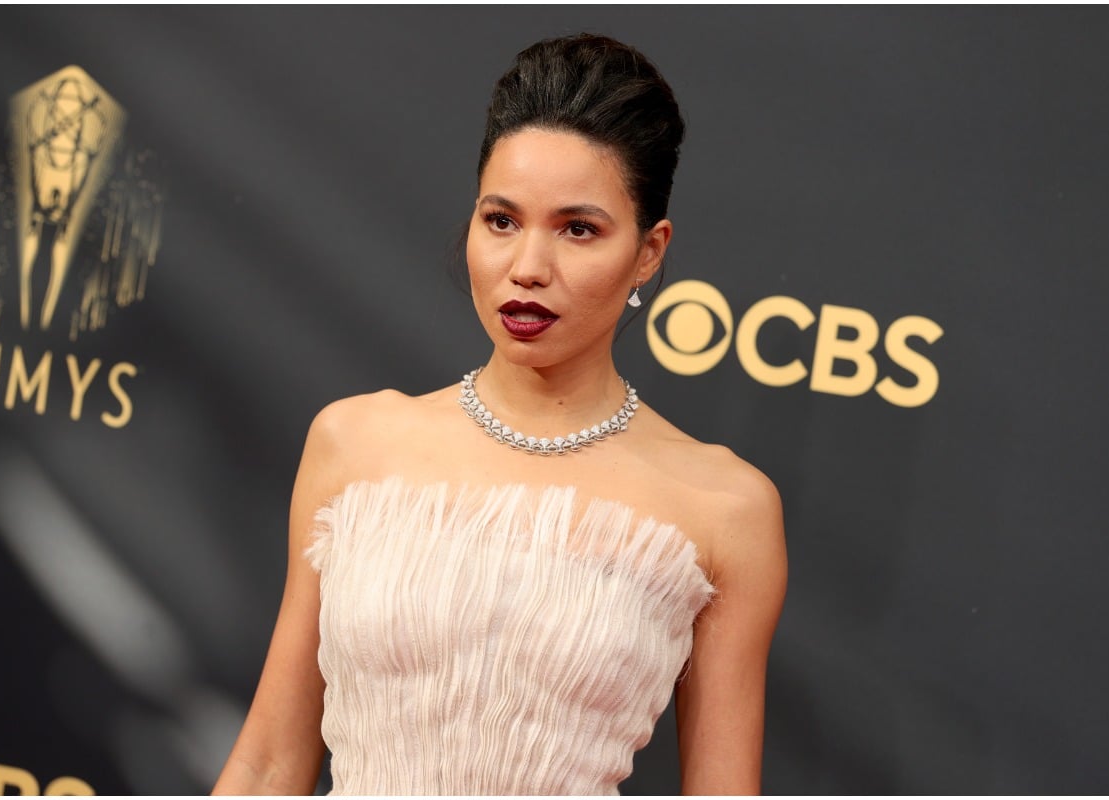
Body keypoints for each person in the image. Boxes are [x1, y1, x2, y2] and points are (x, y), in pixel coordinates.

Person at [213, 33, 786, 795]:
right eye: (502, 220)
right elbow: (266, 764)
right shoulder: (353, 443)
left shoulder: (725, 510)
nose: (527, 269)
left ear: (649, 253)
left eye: (578, 229)